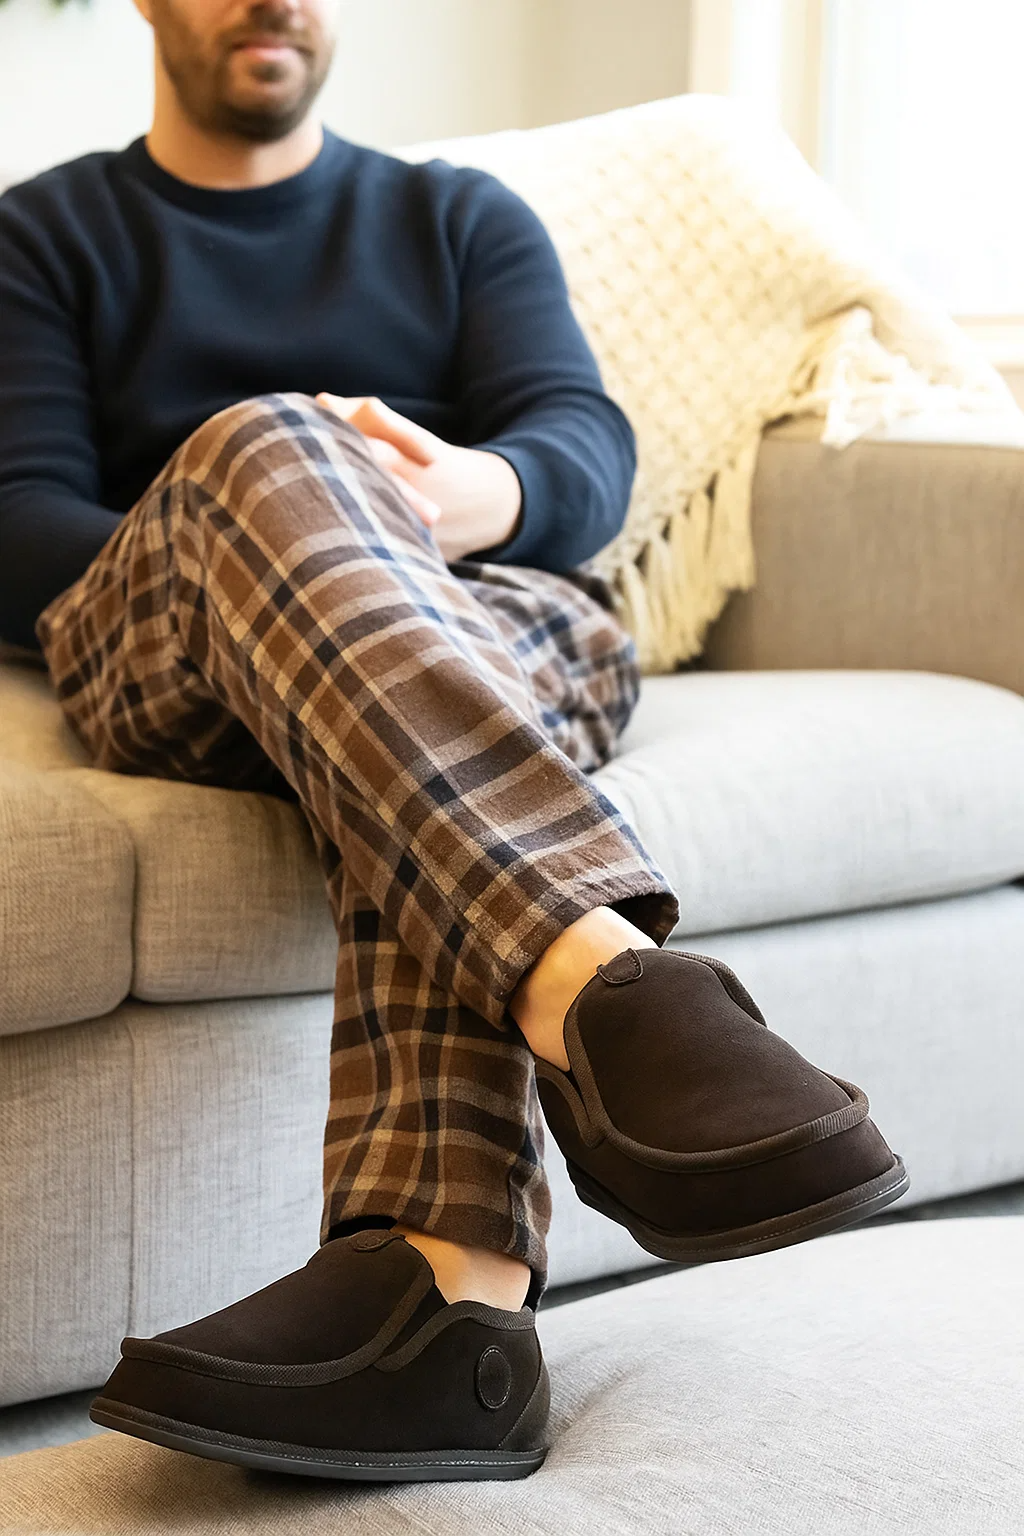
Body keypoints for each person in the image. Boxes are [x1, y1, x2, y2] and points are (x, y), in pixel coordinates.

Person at [0, 0, 907, 1484]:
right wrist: (286, 522)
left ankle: (449, 1321)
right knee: (265, 444)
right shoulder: (44, 235)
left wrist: (465, 500)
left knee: (398, 708)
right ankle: (613, 993)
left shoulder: (456, 217)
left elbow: (580, 444)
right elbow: (17, 522)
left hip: (496, 620)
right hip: (176, 644)